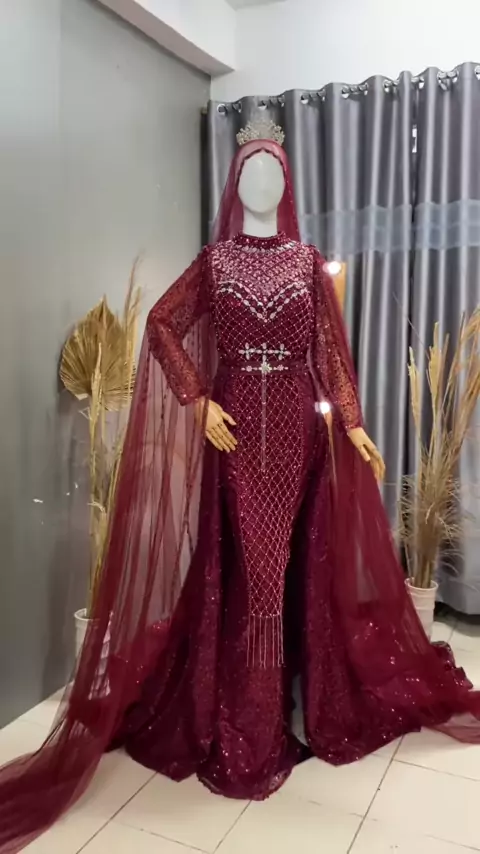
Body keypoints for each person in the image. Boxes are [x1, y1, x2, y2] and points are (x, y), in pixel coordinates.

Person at [1, 122, 480, 854]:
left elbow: (329, 353)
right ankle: (249, 723)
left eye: (274, 170)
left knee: (288, 568)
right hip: (232, 434)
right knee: (250, 567)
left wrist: (353, 425)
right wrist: (197, 400)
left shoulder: (306, 262)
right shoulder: (215, 261)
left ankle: (284, 698)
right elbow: (162, 325)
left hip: (296, 429)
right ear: (235, 182)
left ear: (287, 184)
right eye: (251, 168)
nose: (263, 181)